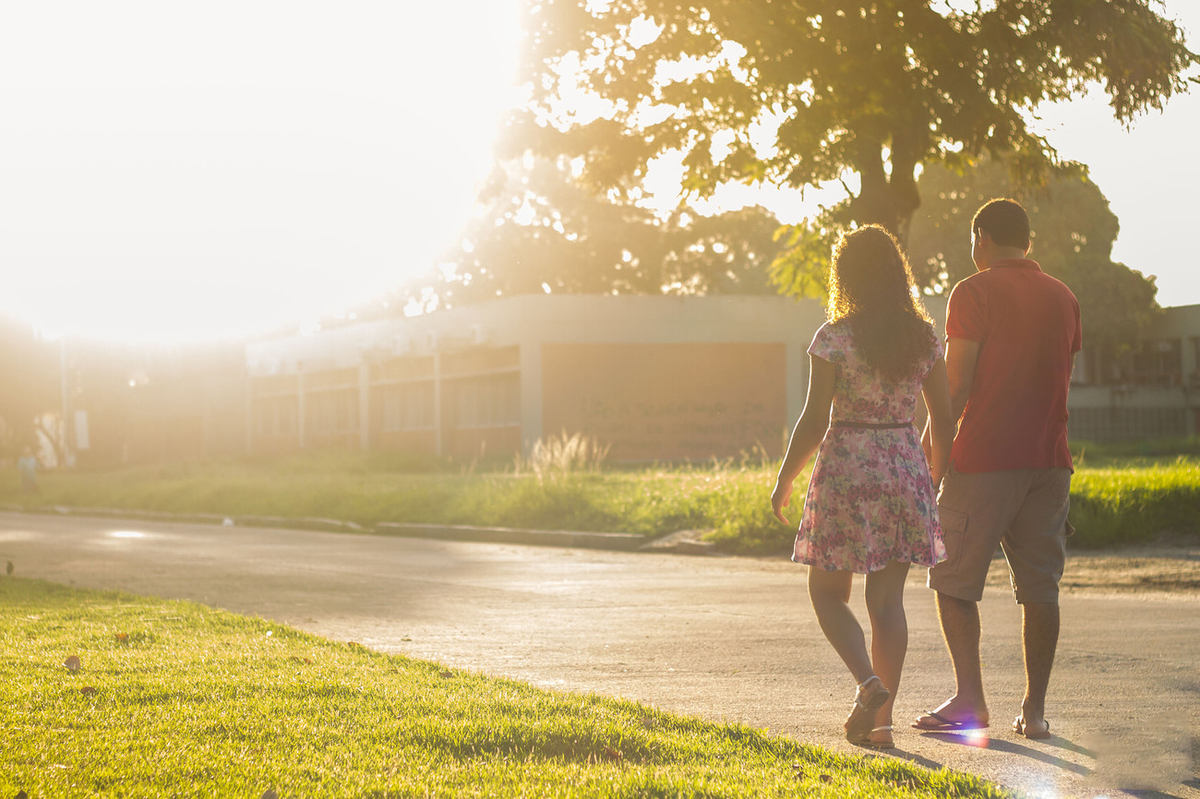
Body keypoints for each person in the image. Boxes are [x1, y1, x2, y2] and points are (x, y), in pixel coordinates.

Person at [772, 225, 955, 750]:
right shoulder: (923, 338)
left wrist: (785, 479)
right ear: (897, 271)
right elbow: (944, 420)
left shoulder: (834, 336)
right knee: (887, 601)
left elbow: (813, 420)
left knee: (828, 594)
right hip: (903, 466)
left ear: (845, 275)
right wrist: (932, 479)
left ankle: (867, 683)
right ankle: (882, 726)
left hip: (848, 464)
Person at [913, 198, 1081, 741]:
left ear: (980, 237)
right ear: (1026, 241)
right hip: (1049, 459)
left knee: (954, 579)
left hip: (984, 457)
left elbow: (956, 385)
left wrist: (929, 453)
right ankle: (1033, 711)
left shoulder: (974, 290)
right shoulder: (1064, 297)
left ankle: (970, 701)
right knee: (1041, 587)